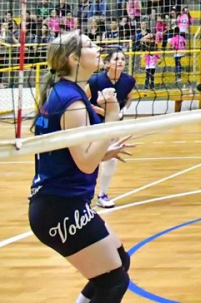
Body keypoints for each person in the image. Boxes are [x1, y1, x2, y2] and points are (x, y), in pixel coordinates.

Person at [28, 31, 135, 303]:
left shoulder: (67, 92)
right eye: (90, 45)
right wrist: (111, 116)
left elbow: (73, 154)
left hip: (63, 202)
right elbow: (86, 164)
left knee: (118, 263)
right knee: (113, 282)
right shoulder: (72, 102)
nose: (98, 48)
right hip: (59, 208)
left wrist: (104, 153)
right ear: (74, 59)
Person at [88, 48, 136, 209]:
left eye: (123, 59)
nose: (120, 61)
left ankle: (102, 194)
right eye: (116, 59)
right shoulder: (96, 81)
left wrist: (121, 111)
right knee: (91, 157)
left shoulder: (129, 81)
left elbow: (129, 97)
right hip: (94, 122)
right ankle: (85, 194)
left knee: (111, 157)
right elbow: (84, 101)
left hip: (114, 124)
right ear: (108, 63)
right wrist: (105, 112)